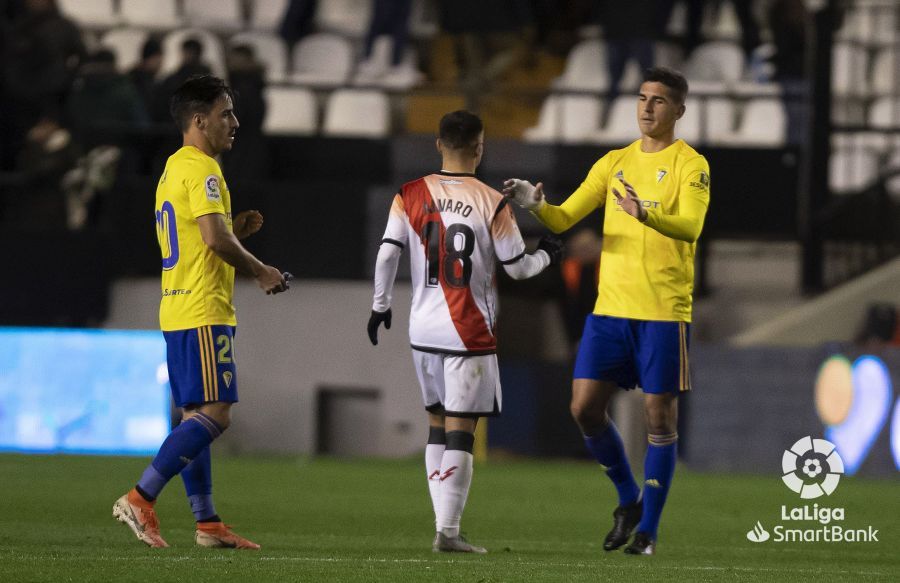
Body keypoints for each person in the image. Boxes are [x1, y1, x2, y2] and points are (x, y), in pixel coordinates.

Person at [503, 66, 710, 556]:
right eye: (642, 98)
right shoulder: (614, 161)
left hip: (662, 311)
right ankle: (627, 499)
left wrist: (647, 214)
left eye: (658, 101)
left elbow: (692, 226)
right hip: (610, 310)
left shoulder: (691, 164)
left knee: (660, 419)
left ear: (677, 110)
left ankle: (649, 533)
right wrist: (535, 205)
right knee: (584, 408)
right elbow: (566, 216)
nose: (647, 107)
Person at [368, 110, 562, 554]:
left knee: (436, 424)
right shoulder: (492, 201)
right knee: (461, 430)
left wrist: (380, 307)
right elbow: (518, 269)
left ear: (438, 144)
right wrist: (548, 253)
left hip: (422, 327)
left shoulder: (409, 193)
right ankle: (448, 533)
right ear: (479, 147)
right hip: (468, 330)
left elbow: (386, 254)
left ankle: (444, 527)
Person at [112, 75, 289, 550]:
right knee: (217, 412)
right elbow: (212, 239)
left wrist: (234, 230)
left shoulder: (175, 167)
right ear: (199, 119)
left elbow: (203, 237)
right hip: (203, 309)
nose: (235, 122)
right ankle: (140, 496)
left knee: (195, 415)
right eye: (226, 112)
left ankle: (206, 522)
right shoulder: (205, 170)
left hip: (177, 307)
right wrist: (260, 270)